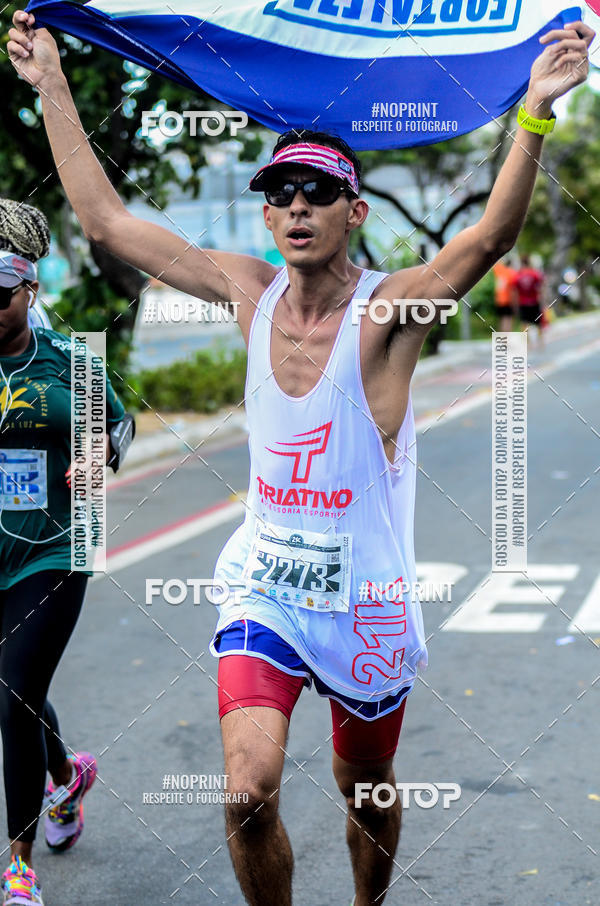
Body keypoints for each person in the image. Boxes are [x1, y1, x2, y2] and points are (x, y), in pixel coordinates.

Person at [6, 12, 594, 905]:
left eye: (316, 193)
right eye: (279, 193)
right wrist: (52, 81)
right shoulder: (248, 288)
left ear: (354, 211)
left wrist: (537, 116)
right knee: (246, 794)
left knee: (369, 793)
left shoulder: (392, 310)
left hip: (368, 601)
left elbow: (486, 243)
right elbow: (108, 220)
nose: (295, 209)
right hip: (265, 588)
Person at [0, 198, 131, 905]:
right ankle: (68, 774)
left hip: (54, 549)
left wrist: (98, 450)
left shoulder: (67, 363)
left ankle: (16, 860)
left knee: (11, 691)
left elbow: (119, 425)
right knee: (16, 693)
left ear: (29, 290)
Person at [515, 253, 547, 345]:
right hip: (534, 302)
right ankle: (540, 343)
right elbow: (541, 287)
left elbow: (515, 292)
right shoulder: (534, 274)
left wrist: (515, 305)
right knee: (538, 323)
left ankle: (528, 344)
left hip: (523, 303)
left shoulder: (518, 276)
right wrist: (543, 301)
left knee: (524, 323)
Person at [492, 256, 519, 331]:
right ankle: (506, 339)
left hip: (499, 300)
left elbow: (495, 263)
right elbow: (513, 290)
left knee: (501, 320)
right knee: (508, 321)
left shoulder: (500, 270)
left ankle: (502, 339)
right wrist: (515, 304)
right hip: (508, 300)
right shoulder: (512, 273)